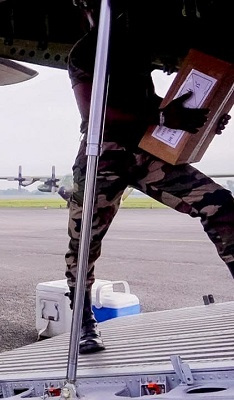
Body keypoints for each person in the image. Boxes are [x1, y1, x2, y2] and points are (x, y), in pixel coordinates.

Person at [65, 0, 233, 354]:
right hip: (103, 154)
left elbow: (149, 100)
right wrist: (161, 117)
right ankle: (83, 323)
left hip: (146, 150)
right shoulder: (86, 51)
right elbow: (93, 111)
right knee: (84, 244)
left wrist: (200, 117)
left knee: (220, 204)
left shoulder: (132, 46)